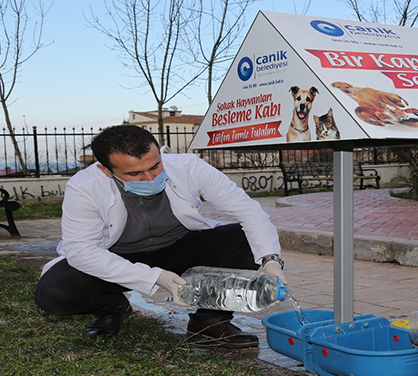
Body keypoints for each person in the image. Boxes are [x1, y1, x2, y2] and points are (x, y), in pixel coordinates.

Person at [34, 125, 286, 348]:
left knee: (243, 237)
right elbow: (81, 250)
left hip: (181, 247)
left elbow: (249, 211)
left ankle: (209, 323)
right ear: (105, 170)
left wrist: (270, 260)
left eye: (155, 166)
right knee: (54, 292)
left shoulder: (189, 167)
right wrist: (154, 277)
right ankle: (113, 307)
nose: (151, 177)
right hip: (118, 256)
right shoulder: (84, 186)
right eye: (135, 174)